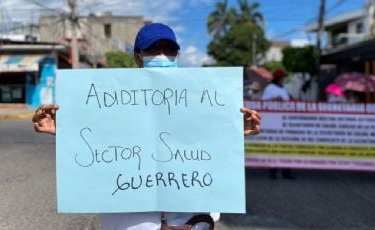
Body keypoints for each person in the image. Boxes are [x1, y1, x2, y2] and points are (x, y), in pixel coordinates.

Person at [32, 23, 261, 229]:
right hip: (131, 220)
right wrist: (64, 130)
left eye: (169, 50)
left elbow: (210, 147)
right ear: (138, 57)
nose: (162, 55)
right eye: (153, 50)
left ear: (177, 55)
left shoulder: (200, 98)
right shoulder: (111, 99)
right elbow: (96, 143)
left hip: (189, 220)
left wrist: (234, 130)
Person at [261, 69, 294, 180]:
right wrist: (274, 100)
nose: (283, 80)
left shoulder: (284, 89)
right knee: (274, 148)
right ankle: (273, 171)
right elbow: (263, 103)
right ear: (277, 79)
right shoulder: (270, 89)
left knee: (287, 148)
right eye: (281, 78)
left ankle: (286, 171)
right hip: (274, 122)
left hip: (285, 122)